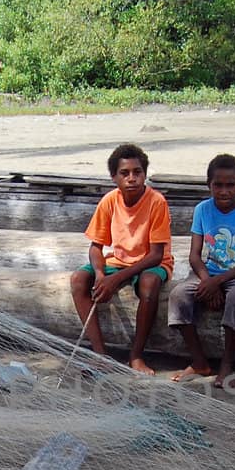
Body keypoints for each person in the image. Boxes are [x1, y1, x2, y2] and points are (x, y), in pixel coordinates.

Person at [69, 143, 174, 375]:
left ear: (145, 175)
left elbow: (156, 254)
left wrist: (115, 280)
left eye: (137, 172)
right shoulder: (109, 201)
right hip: (117, 261)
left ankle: (136, 355)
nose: (132, 178)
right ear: (114, 177)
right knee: (78, 279)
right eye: (124, 173)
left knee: (149, 285)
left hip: (151, 262)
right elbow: (96, 246)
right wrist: (99, 275)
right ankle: (100, 355)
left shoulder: (157, 202)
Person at [169, 153, 235, 389]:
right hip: (209, 271)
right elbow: (194, 255)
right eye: (218, 185)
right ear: (209, 185)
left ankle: (227, 363)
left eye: (230, 185)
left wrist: (218, 282)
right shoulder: (202, 209)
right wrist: (207, 281)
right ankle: (199, 360)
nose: (224, 191)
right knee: (178, 296)